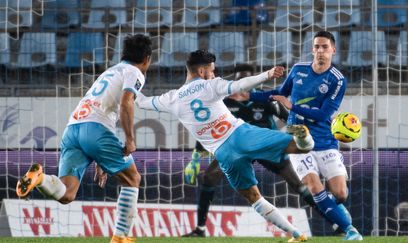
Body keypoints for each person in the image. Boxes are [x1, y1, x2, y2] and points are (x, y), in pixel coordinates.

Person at [136, 49, 314, 242]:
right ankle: (303, 135)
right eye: (212, 70)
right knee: (301, 146)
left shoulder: (171, 98)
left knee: (254, 198)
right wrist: (267, 74)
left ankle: (296, 234)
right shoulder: (211, 85)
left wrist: (130, 87)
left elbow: (143, 102)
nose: (214, 74)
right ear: (203, 71)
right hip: (242, 135)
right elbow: (240, 85)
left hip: (224, 154)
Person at [16, 34, 152, 243]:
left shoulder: (111, 71)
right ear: (147, 59)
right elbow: (126, 103)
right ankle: (120, 237)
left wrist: (99, 157)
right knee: (133, 179)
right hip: (96, 130)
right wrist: (130, 139)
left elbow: (101, 107)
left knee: (67, 194)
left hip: (73, 129)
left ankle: (39, 179)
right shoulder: (135, 72)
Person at [244, 31, 363, 241]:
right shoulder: (298, 70)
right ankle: (350, 230)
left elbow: (324, 114)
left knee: (341, 194)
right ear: (312, 49)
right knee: (313, 185)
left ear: (333, 50)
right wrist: (248, 95)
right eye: (316, 47)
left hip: (325, 140)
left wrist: (293, 106)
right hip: (298, 139)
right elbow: (280, 92)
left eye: (325, 47)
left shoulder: (337, 80)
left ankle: (338, 212)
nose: (320, 51)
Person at [182, 63, 320, 238]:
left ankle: (331, 219)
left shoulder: (265, 100)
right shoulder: (223, 102)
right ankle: (200, 229)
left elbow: (289, 119)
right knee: (209, 176)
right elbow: (207, 129)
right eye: (239, 78)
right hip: (235, 147)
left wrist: (299, 132)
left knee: (297, 184)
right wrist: (195, 157)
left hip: (263, 145)